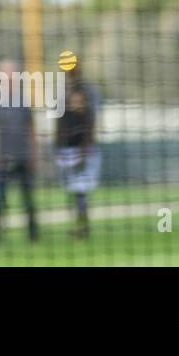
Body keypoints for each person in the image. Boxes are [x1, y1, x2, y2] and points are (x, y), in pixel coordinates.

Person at [0, 59, 39, 243]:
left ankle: (33, 234)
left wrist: (34, 154)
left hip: (22, 155)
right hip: (2, 158)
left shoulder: (23, 100)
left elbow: (31, 129)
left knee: (28, 199)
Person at [55, 62, 101, 238]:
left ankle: (82, 227)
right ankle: (77, 226)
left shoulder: (84, 91)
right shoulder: (62, 92)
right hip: (66, 150)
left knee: (80, 191)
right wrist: (57, 147)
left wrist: (84, 150)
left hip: (81, 150)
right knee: (72, 192)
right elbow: (59, 123)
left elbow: (89, 124)